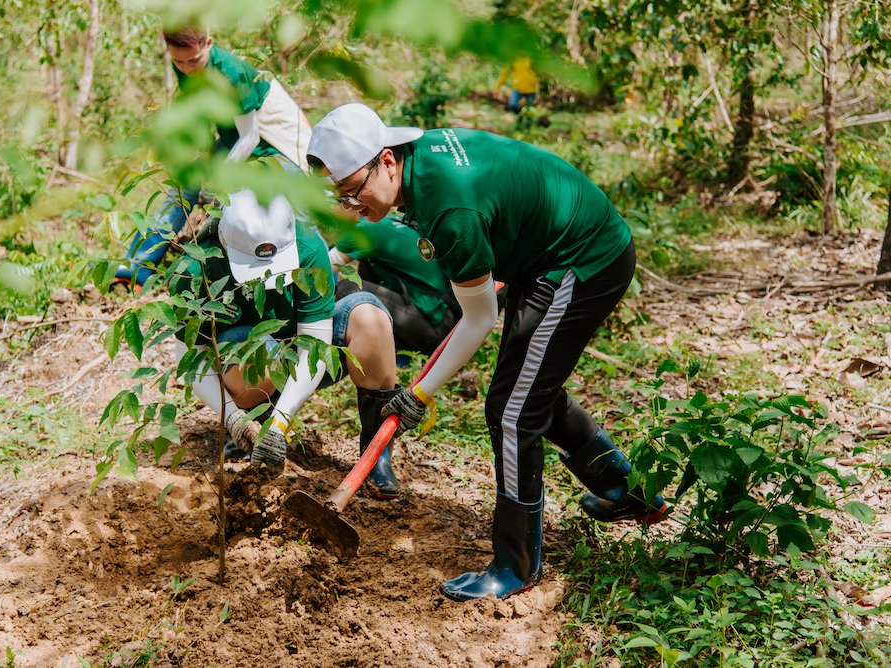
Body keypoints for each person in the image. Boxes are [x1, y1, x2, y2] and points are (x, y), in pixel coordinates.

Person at [305, 103, 669, 601]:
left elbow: (478, 318)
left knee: (513, 412)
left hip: (581, 261)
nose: (349, 207)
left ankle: (516, 565)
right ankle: (628, 490)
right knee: (528, 388)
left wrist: (420, 394)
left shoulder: (450, 212)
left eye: (353, 191)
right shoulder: (417, 165)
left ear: (387, 161)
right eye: (338, 197)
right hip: (542, 254)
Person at [169, 189, 404, 498]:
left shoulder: (306, 246)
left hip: (300, 350)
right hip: (248, 358)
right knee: (251, 359)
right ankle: (254, 427)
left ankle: (376, 452)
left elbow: (315, 345)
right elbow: (191, 359)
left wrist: (281, 424)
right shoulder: (194, 265)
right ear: (225, 241)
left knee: (370, 319)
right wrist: (233, 419)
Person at [117, 25, 313, 288]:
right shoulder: (185, 65)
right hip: (235, 139)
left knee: (289, 212)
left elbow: (251, 137)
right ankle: (138, 267)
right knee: (185, 184)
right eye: (179, 61)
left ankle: (315, 276)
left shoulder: (231, 73)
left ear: (208, 43)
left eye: (194, 60)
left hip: (273, 144)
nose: (187, 68)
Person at [329, 213, 462, 357]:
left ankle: (334, 347)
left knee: (348, 289)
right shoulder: (386, 220)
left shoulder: (364, 229)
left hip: (435, 331)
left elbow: (318, 270)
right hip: (451, 324)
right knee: (361, 276)